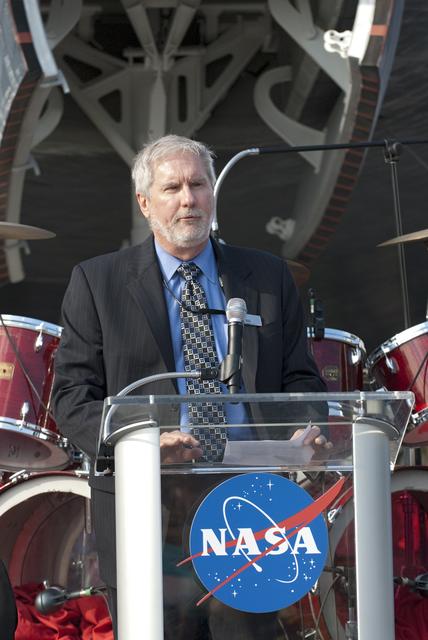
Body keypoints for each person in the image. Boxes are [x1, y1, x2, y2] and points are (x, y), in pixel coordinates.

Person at [52, 134, 328, 638]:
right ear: (144, 203)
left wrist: (308, 426)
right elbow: (71, 400)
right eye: (172, 188)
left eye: (198, 185)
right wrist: (143, 444)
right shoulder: (97, 282)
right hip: (148, 504)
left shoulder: (266, 276)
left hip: (249, 499)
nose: (188, 199)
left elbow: (302, 380)